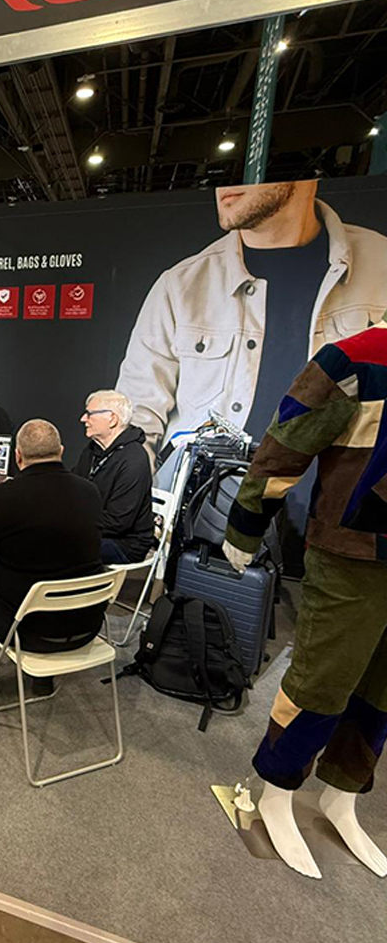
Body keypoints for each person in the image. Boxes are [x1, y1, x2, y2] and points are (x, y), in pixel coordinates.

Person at [223, 310, 387, 880]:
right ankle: (277, 787)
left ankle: (342, 794)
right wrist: (246, 524)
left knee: (382, 691)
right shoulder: (355, 358)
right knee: (320, 681)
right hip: (350, 557)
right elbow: (285, 443)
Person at [117, 181, 387, 456]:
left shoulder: (381, 266)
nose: (225, 185)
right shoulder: (180, 286)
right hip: (212, 482)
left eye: (250, 165)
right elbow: (136, 418)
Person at [0, 419, 105, 701]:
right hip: (87, 624)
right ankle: (42, 680)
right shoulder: (90, 492)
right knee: (54, 572)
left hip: (27, 631)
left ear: (17, 456)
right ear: (61, 451)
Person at [73, 390, 154, 565]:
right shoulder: (92, 450)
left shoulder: (134, 459)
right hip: (95, 529)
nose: (83, 419)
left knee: (55, 546)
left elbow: (118, 522)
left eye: (89, 414)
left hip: (125, 543)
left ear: (112, 419)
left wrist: (70, 525)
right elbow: (72, 486)